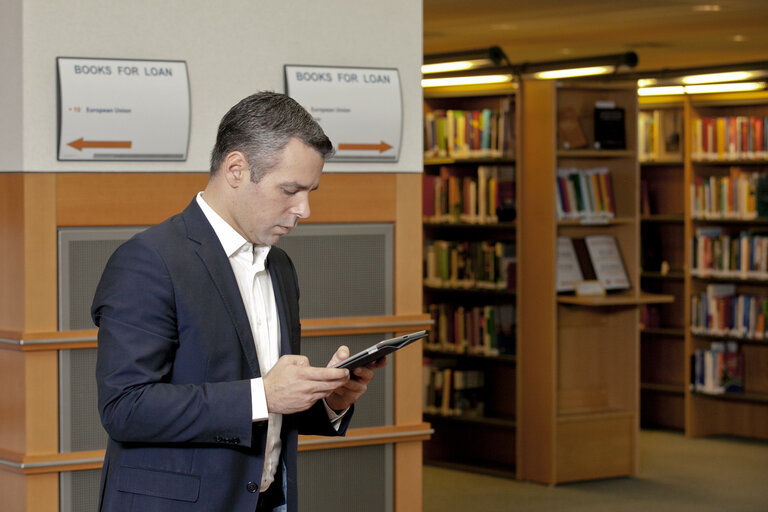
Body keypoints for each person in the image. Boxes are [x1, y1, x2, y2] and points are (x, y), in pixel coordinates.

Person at [92, 91, 384, 512]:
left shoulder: (280, 266)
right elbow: (125, 407)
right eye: (290, 189)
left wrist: (329, 402)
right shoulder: (148, 261)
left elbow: (269, 404)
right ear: (235, 169)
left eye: (310, 191)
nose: (304, 208)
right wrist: (264, 394)